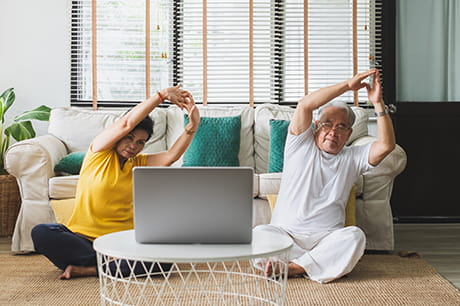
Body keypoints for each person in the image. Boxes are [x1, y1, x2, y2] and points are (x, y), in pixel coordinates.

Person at [31, 85, 201, 279]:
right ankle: (114, 266)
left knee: (166, 255)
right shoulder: (99, 152)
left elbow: (170, 156)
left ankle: (92, 269)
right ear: (119, 136)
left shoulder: (138, 163)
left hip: (120, 242)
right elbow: (126, 123)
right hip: (82, 240)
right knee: (42, 232)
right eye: (129, 138)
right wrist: (161, 96)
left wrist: (192, 127)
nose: (133, 146)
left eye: (140, 142)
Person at [254, 68, 395, 283]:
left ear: (349, 134)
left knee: (355, 236)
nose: (333, 131)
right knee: (260, 233)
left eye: (341, 127)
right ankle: (315, 264)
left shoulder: (353, 157)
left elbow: (386, 145)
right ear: (317, 127)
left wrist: (378, 103)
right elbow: (305, 105)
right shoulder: (300, 143)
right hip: (286, 236)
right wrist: (349, 85)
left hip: (327, 240)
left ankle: (292, 268)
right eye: (327, 124)